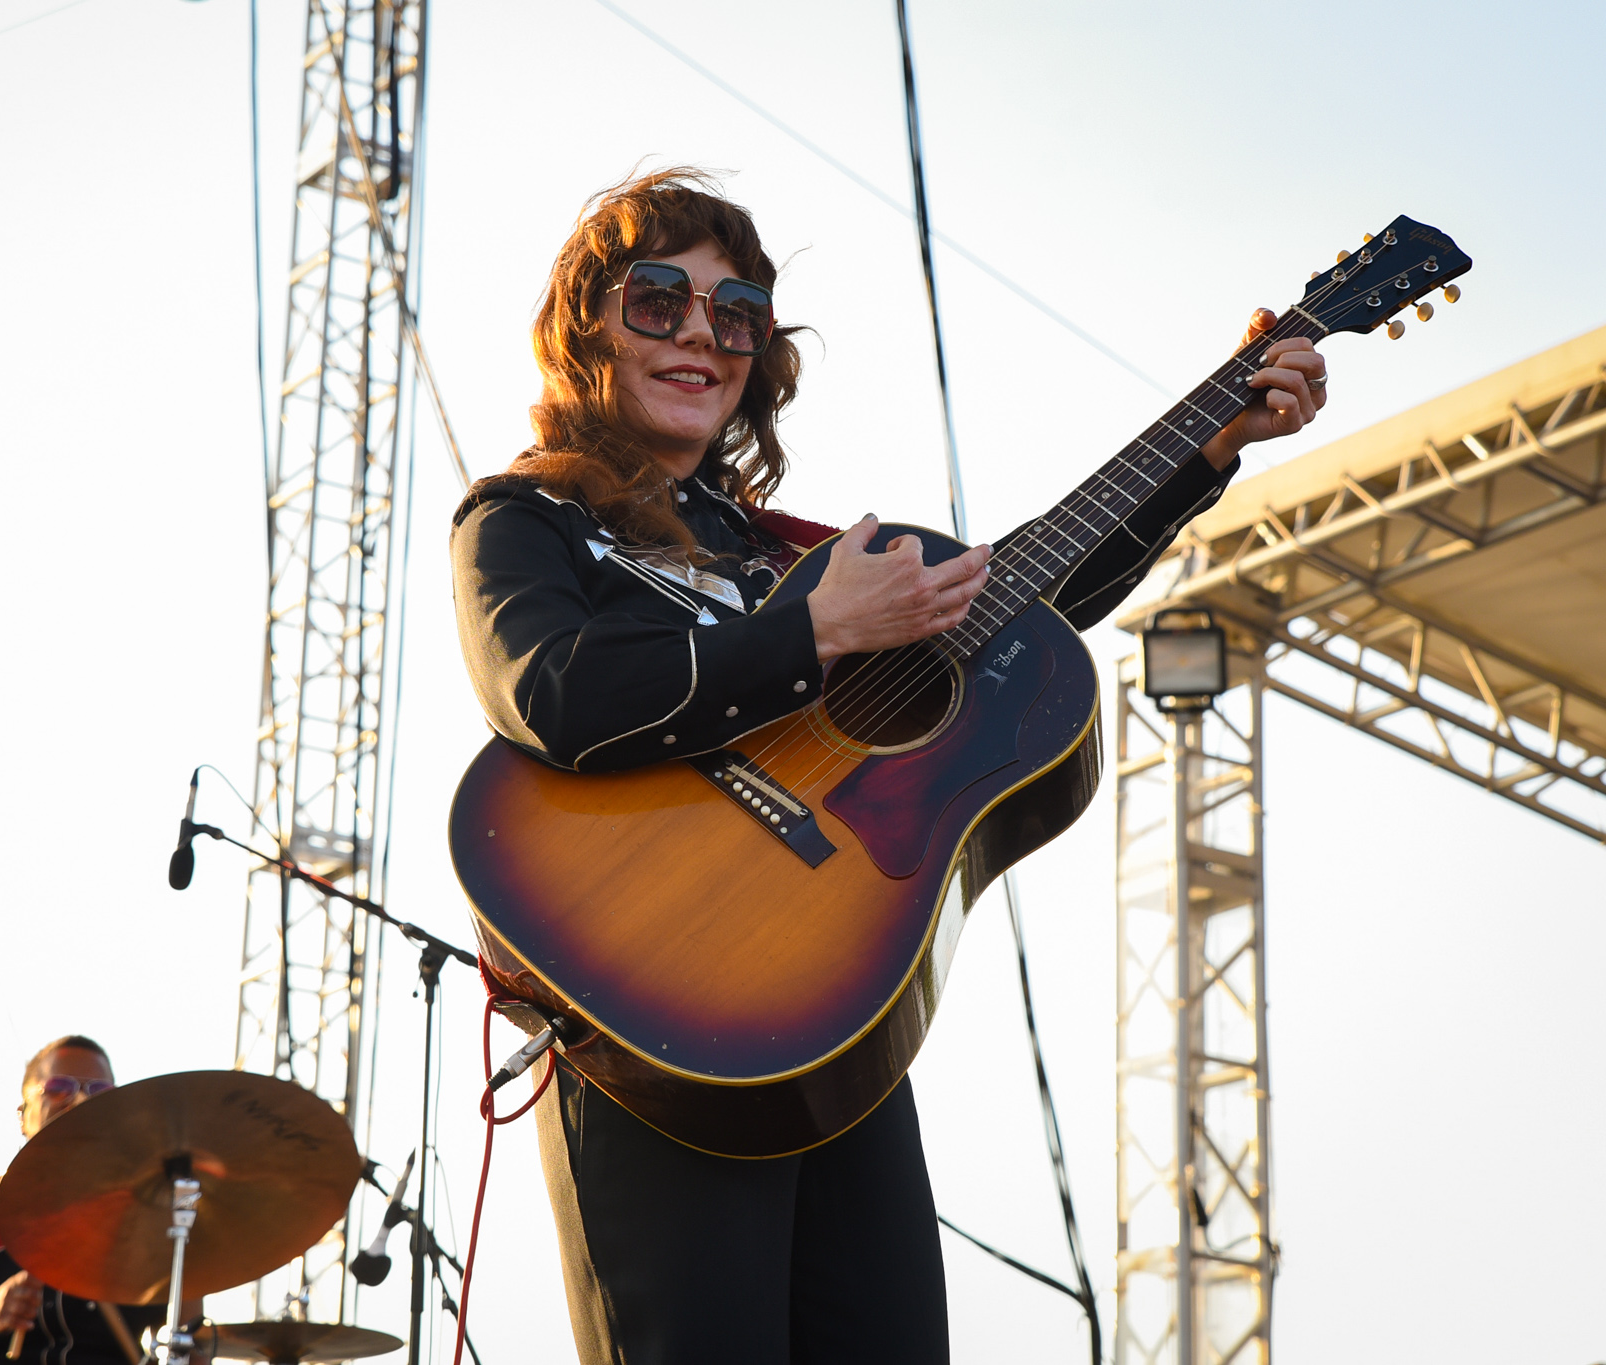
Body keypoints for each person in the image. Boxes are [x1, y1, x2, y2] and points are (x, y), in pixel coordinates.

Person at [448, 168, 1328, 1365]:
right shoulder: (525, 520)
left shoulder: (792, 558)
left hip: (834, 1019)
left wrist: (1206, 447)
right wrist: (810, 635)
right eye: (658, 301)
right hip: (646, 1020)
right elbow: (548, 691)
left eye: (735, 316)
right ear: (586, 328)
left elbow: (1012, 617)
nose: (700, 334)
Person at [0, 1036, 184, 1365]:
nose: (80, 1101)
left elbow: (188, 1343)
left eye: (99, 1092)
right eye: (59, 1088)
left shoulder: (156, 1222)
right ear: (23, 1115)